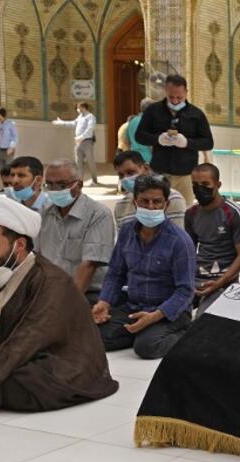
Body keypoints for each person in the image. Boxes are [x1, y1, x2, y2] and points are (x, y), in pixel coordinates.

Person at [0, 198, 118, 417]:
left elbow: (30, 335)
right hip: (8, 347)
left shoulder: (51, 280)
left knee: (25, 383)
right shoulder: (0, 268)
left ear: (18, 245)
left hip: (55, 357)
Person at [93, 174, 196, 359]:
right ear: (135, 203)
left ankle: (182, 334)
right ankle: (140, 330)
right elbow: (116, 273)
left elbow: (185, 291)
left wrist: (154, 317)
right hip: (133, 306)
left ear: (166, 204)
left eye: (157, 202)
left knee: (147, 347)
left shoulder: (179, 241)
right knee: (92, 335)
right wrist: (104, 302)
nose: (150, 206)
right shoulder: (127, 231)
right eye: (144, 201)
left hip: (169, 311)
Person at [37, 159, 116, 300]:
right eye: (49, 184)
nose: (55, 190)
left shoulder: (98, 214)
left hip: (87, 293)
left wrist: (67, 302)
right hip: (51, 289)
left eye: (61, 185)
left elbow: (90, 264)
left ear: (79, 184)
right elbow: (36, 256)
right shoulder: (44, 212)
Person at [134, 75, 214, 204]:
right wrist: (158, 139)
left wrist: (187, 142)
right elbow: (139, 136)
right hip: (159, 172)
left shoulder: (196, 114)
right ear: (165, 91)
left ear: (186, 92)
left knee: (184, 209)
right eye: (171, 97)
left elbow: (208, 143)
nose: (175, 101)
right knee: (157, 207)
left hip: (186, 174)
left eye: (179, 97)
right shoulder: (153, 111)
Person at [185, 163, 240, 312]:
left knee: (204, 317)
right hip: (196, 279)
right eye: (195, 185)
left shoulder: (233, 212)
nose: (200, 189)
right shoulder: (191, 214)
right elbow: (188, 252)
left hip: (224, 281)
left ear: (218, 185)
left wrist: (219, 283)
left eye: (205, 184)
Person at [113, 151, 187, 225]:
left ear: (146, 168)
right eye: (121, 175)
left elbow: (177, 230)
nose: (126, 178)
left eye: (131, 172)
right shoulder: (121, 205)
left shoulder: (172, 198)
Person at [52, 102, 100, 186]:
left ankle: (94, 180)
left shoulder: (90, 117)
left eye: (78, 107)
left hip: (87, 142)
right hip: (78, 142)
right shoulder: (80, 117)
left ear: (83, 107)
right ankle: (79, 181)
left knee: (90, 161)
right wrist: (61, 122)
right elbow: (73, 123)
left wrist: (81, 137)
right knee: (78, 162)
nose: (77, 109)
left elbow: (90, 129)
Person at [126, 97, 154, 166]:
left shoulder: (132, 121)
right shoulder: (149, 122)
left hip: (133, 157)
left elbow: (128, 140)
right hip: (147, 158)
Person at [0, 108, 17, 173]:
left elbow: (14, 137)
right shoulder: (0, 124)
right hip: (1, 150)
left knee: (8, 170)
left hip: (8, 151)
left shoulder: (10, 124)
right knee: (2, 171)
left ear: (3, 115)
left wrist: (11, 147)